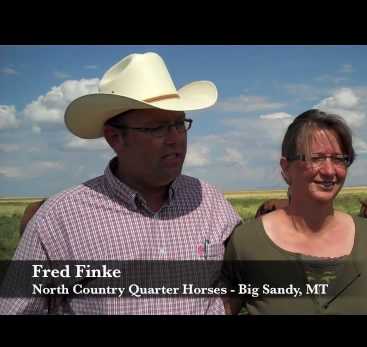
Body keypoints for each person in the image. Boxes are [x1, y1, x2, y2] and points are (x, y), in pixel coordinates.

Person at [0, 52, 241, 315]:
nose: (175, 138)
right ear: (115, 138)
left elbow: (242, 279)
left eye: (179, 124)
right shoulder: (59, 219)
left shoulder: (211, 202)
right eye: (157, 128)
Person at [222, 109, 367, 315]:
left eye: (339, 159)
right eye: (317, 158)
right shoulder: (248, 242)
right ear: (286, 168)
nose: (330, 171)